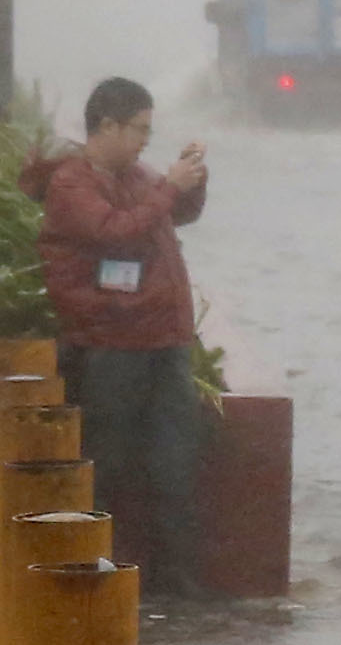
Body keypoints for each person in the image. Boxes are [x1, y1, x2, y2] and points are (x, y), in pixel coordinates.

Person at [35, 77, 215, 595]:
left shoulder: (136, 176)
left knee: (176, 463)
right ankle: (99, 583)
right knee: (107, 467)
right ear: (106, 126)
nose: (143, 141)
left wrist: (191, 180)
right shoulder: (73, 183)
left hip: (163, 339)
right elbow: (115, 230)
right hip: (109, 344)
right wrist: (170, 187)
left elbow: (177, 212)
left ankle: (181, 585)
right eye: (138, 130)